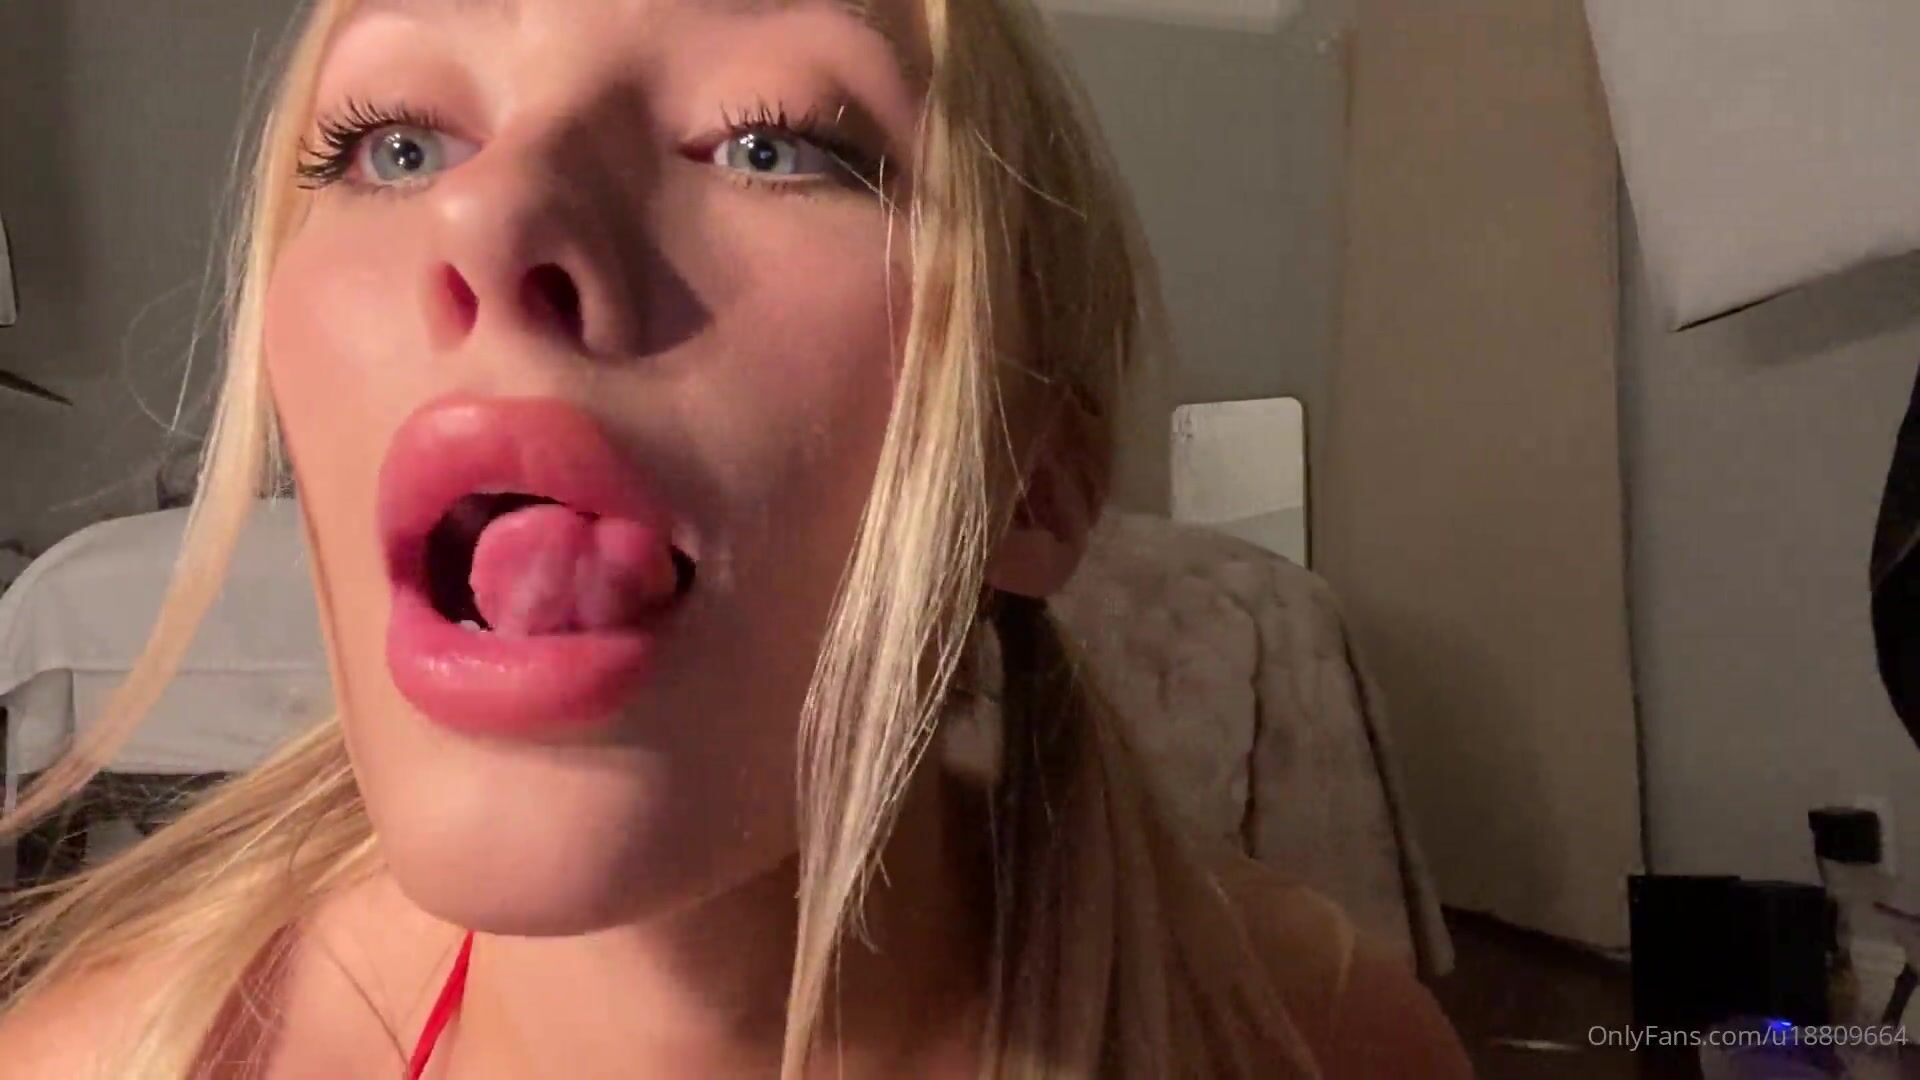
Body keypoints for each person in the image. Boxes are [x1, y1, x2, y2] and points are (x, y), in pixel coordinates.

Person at [0, 1, 1468, 1076]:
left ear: (1031, 488)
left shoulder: (1320, 1046)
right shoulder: (106, 1062)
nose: (491, 214)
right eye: (394, 144)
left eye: (771, 142)